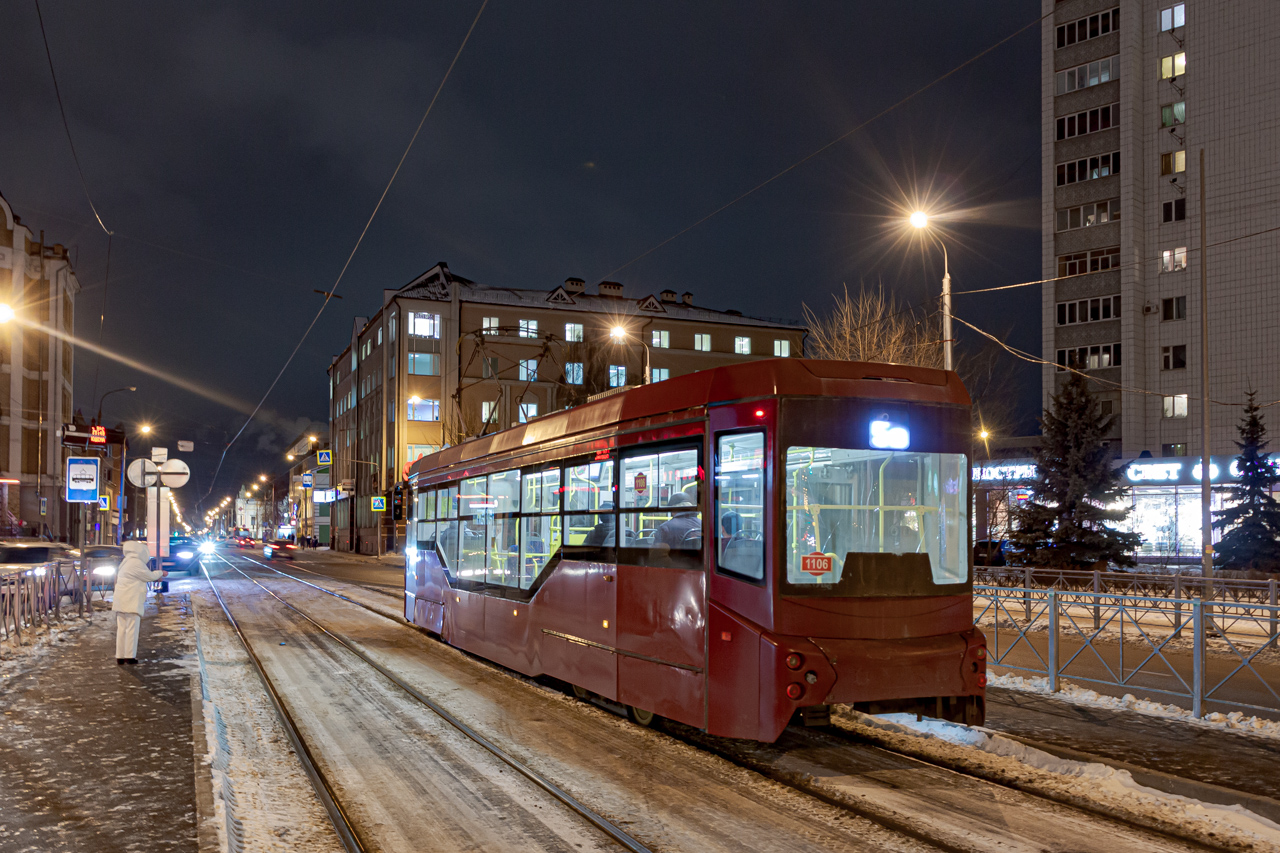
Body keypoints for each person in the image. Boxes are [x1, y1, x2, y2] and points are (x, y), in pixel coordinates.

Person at [112, 539, 167, 665]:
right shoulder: (136, 563)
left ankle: (120, 656)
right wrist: (161, 573)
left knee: (121, 630)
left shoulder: (125, 562)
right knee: (132, 629)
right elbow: (149, 576)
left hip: (121, 601)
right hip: (131, 601)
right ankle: (129, 656)